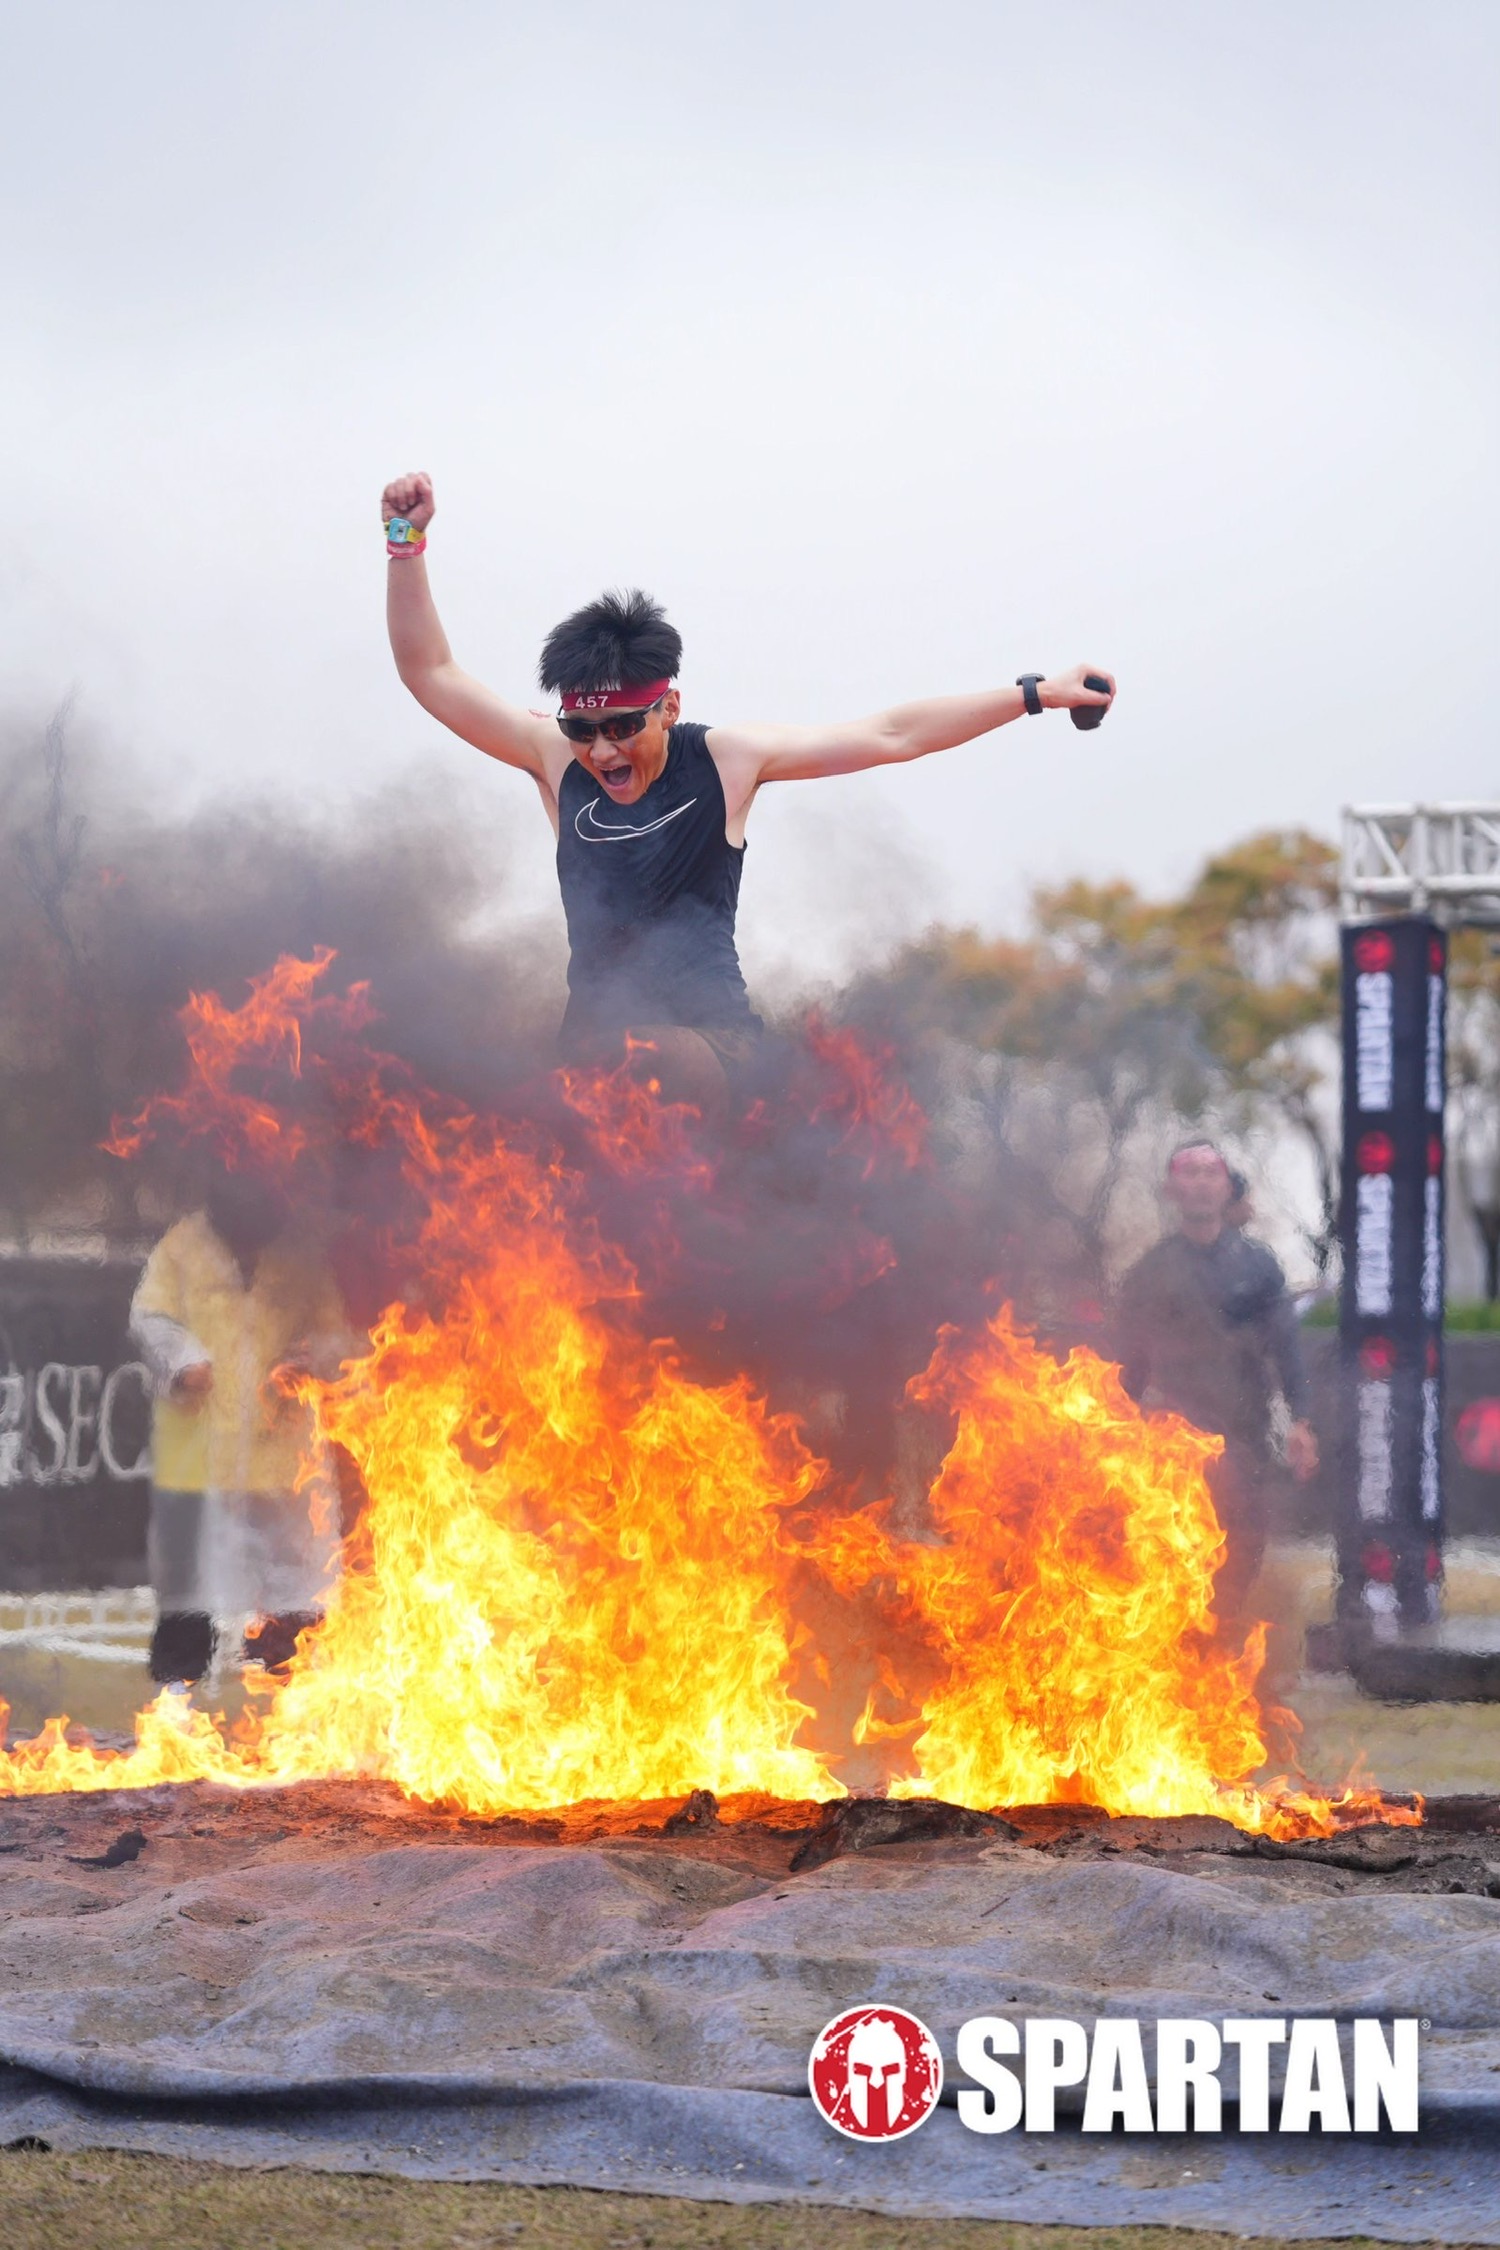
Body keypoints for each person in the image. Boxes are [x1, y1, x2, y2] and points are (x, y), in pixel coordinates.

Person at [380, 470, 1115, 1123]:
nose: (601, 751)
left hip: (713, 1055)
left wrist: (1036, 694)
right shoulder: (554, 760)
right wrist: (404, 544)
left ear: (668, 708)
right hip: (590, 1068)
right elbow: (432, 674)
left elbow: (893, 734)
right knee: (487, 1099)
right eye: (583, 729)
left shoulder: (726, 761)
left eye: (622, 727)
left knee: (619, 1063)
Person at [130, 1167, 355, 1687]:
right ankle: (176, 1704)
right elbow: (151, 1317)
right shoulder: (183, 1247)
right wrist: (183, 1360)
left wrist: (310, 1361)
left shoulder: (301, 1256)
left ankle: (291, 1696)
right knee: (190, 1587)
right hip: (202, 1452)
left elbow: (334, 1336)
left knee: (297, 1584)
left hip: (284, 1456)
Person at [1115, 1140, 1319, 1623]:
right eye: (1190, 1172)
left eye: (1211, 1172)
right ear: (1172, 1187)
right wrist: (1115, 1428)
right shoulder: (1151, 1272)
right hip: (1175, 1442)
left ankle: (1221, 1641)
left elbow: (1286, 1347)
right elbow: (1129, 1362)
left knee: (1241, 1550)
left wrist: (1302, 1421)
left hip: (1245, 1436)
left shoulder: (1258, 1266)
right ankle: (1188, 1642)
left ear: (1228, 1187)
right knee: (1176, 1551)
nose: (1201, 1183)